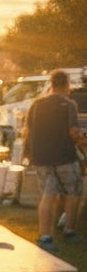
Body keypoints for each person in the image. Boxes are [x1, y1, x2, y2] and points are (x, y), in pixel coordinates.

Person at [24, 69, 85, 250]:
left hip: (42, 157)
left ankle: (45, 237)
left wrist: (28, 154)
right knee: (73, 194)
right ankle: (69, 230)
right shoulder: (68, 104)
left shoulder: (36, 104)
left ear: (51, 84)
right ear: (66, 85)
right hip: (65, 156)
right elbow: (73, 132)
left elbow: (28, 131)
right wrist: (83, 141)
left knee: (48, 196)